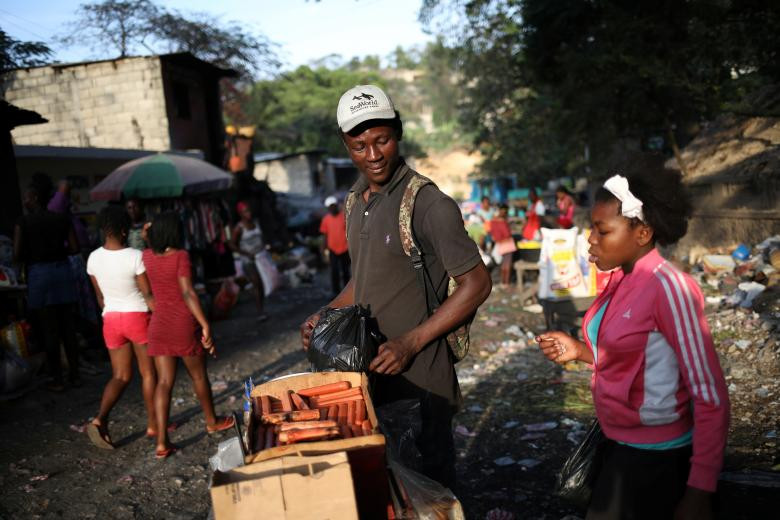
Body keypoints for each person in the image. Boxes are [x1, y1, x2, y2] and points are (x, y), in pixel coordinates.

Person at [300, 84, 491, 489]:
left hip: (421, 381)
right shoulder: (355, 200)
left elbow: (476, 282)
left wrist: (410, 342)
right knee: (387, 490)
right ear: (345, 145)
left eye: (382, 140)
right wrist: (327, 314)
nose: (372, 155)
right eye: (359, 145)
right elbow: (367, 276)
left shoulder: (427, 204)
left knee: (432, 491)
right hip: (370, 377)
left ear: (398, 132)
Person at [536, 169, 729, 519]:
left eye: (603, 230)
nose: (591, 239)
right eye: (592, 228)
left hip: (658, 460)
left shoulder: (670, 289)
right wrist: (579, 351)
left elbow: (711, 396)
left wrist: (699, 490)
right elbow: (634, 357)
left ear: (643, 232)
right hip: (618, 445)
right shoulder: (620, 280)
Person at [143, 212, 235, 458]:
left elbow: (148, 243)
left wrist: (148, 233)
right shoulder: (181, 256)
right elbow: (187, 292)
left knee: (164, 382)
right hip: (182, 323)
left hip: (158, 325)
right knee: (198, 376)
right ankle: (211, 420)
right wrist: (206, 324)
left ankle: (162, 442)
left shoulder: (147, 256)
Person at [85, 206, 157, 449]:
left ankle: (99, 419)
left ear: (103, 230)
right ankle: (154, 425)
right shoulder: (135, 256)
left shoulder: (93, 258)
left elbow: (100, 299)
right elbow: (147, 294)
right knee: (148, 373)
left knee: (120, 376)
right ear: (125, 230)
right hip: (136, 316)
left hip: (111, 320)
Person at [13, 180, 81, 392]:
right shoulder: (62, 219)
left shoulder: (23, 223)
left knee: (48, 329)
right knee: (68, 327)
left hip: (39, 275)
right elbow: (74, 247)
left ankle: (57, 379)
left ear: (34, 198)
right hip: (62, 273)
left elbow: (16, 254)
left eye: (26, 197)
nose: (24, 201)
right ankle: (75, 375)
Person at [229, 201, 267, 321]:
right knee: (257, 283)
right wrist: (246, 253)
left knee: (261, 284)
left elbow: (261, 237)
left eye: (249, 210)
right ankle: (260, 311)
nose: (248, 213)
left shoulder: (255, 223)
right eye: (245, 211)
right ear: (240, 214)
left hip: (260, 258)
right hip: (248, 260)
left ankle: (261, 307)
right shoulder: (239, 228)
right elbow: (232, 245)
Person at [319, 195, 350, 296]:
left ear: (336, 206)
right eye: (330, 207)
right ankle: (335, 293)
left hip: (345, 249)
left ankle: (347, 292)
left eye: (333, 206)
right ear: (328, 208)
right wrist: (323, 249)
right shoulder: (326, 219)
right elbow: (324, 235)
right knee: (334, 272)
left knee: (346, 271)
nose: (332, 208)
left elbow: (349, 232)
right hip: (333, 250)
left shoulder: (344, 217)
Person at [489, 204, 516, 286]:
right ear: (504, 211)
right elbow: (507, 234)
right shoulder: (502, 221)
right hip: (507, 243)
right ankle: (506, 283)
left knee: (503, 264)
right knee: (507, 264)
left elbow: (492, 233)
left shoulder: (493, 220)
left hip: (500, 243)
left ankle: (502, 282)